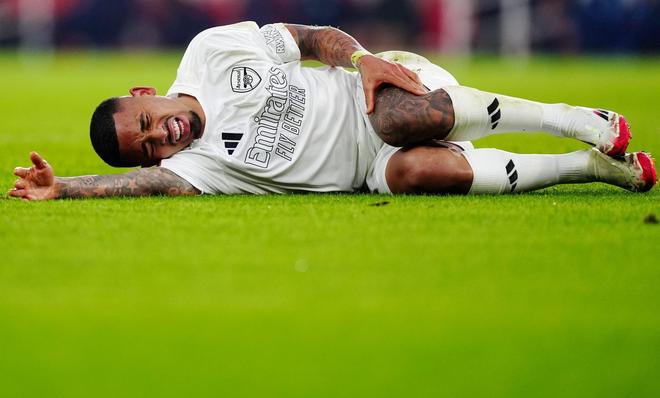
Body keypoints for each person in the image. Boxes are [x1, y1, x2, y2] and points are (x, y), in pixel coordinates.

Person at [9, 22, 656, 200]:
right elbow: (140, 186)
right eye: (150, 146)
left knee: (395, 120)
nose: (162, 136)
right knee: (414, 173)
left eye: (147, 123)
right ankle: (588, 168)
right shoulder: (196, 168)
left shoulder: (208, 52)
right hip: (370, 170)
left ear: (144, 94)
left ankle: (568, 118)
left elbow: (312, 39)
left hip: (381, 94)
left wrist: (365, 61)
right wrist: (63, 188)